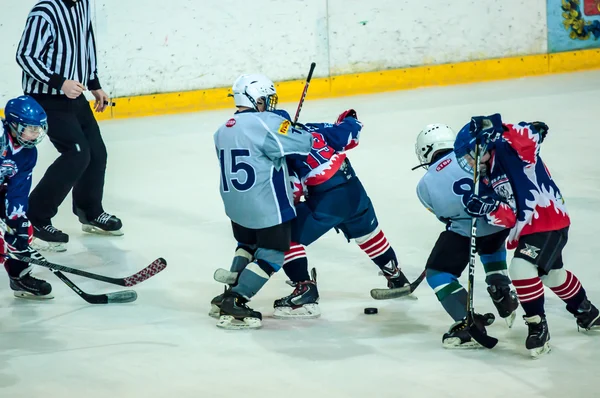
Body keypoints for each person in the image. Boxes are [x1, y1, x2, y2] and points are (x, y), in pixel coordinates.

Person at [210, 109, 411, 319]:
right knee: (369, 235)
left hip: (327, 200)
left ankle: (304, 291)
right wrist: (349, 118)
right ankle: (396, 276)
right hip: (354, 189)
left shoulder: (282, 149)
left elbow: (292, 193)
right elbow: (350, 134)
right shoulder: (317, 129)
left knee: (285, 236)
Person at [455, 114, 600, 357]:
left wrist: (500, 127)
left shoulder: (509, 149)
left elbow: (532, 137)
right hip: (529, 229)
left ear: (482, 145)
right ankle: (587, 312)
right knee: (553, 276)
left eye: (469, 155)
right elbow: (509, 217)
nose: (468, 163)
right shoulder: (487, 178)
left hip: (549, 220)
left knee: (522, 268)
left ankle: (537, 327)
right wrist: (488, 208)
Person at [15, 0, 122, 253]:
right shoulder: (44, 12)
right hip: (47, 97)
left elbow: (86, 43)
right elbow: (25, 55)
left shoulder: (83, 4)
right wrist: (60, 82)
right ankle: (36, 217)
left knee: (96, 152)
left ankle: (90, 211)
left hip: (74, 95)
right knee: (76, 154)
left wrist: (94, 83)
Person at [211, 73, 313, 329]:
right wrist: (291, 127)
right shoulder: (266, 122)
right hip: (266, 205)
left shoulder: (222, 129)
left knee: (246, 244)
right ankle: (236, 299)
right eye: (267, 99)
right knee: (272, 254)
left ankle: (227, 291)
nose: (270, 104)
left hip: (235, 205)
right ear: (256, 99)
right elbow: (304, 144)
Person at [413, 123, 519, 348]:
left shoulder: (424, 185)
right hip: (499, 221)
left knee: (438, 273)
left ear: (424, 151)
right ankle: (499, 286)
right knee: (492, 241)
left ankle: (466, 322)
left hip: (464, 231)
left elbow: (444, 217)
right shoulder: (474, 155)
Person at [1, 95, 53, 299]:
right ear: (14, 125)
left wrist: (17, 219)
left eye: (38, 128)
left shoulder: (27, 153)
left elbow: (19, 189)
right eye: (31, 128)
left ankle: (19, 277)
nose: (36, 133)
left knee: (21, 232)